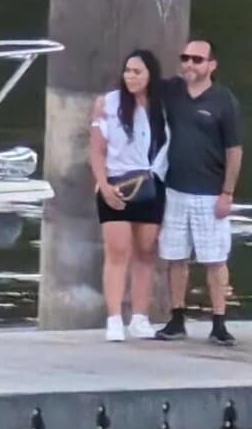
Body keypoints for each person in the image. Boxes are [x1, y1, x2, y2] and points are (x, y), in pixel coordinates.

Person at [156, 38, 243, 346]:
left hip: (210, 193)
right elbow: (136, 90)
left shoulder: (224, 101)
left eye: (197, 59)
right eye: (186, 58)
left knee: (214, 259)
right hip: (175, 190)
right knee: (175, 257)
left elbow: (234, 150)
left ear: (211, 65)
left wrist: (227, 193)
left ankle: (219, 322)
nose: (189, 64)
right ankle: (177, 319)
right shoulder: (172, 92)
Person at [89, 48, 169, 342]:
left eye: (138, 72)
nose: (131, 77)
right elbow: (96, 149)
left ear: (150, 75)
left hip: (151, 183)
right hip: (116, 183)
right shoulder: (108, 104)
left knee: (146, 252)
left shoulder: (161, 105)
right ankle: (113, 318)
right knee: (117, 251)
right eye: (128, 71)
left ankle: (139, 316)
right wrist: (103, 183)